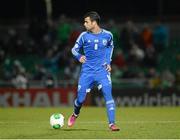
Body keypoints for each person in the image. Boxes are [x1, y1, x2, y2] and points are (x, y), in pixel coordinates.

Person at [68, 11, 120, 131]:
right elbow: (74, 49)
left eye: (86, 22)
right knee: (80, 99)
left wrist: (108, 62)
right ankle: (75, 114)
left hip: (102, 72)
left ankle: (112, 124)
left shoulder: (108, 35)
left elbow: (110, 47)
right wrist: (79, 56)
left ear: (94, 22)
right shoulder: (83, 36)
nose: (84, 24)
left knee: (108, 95)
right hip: (87, 72)